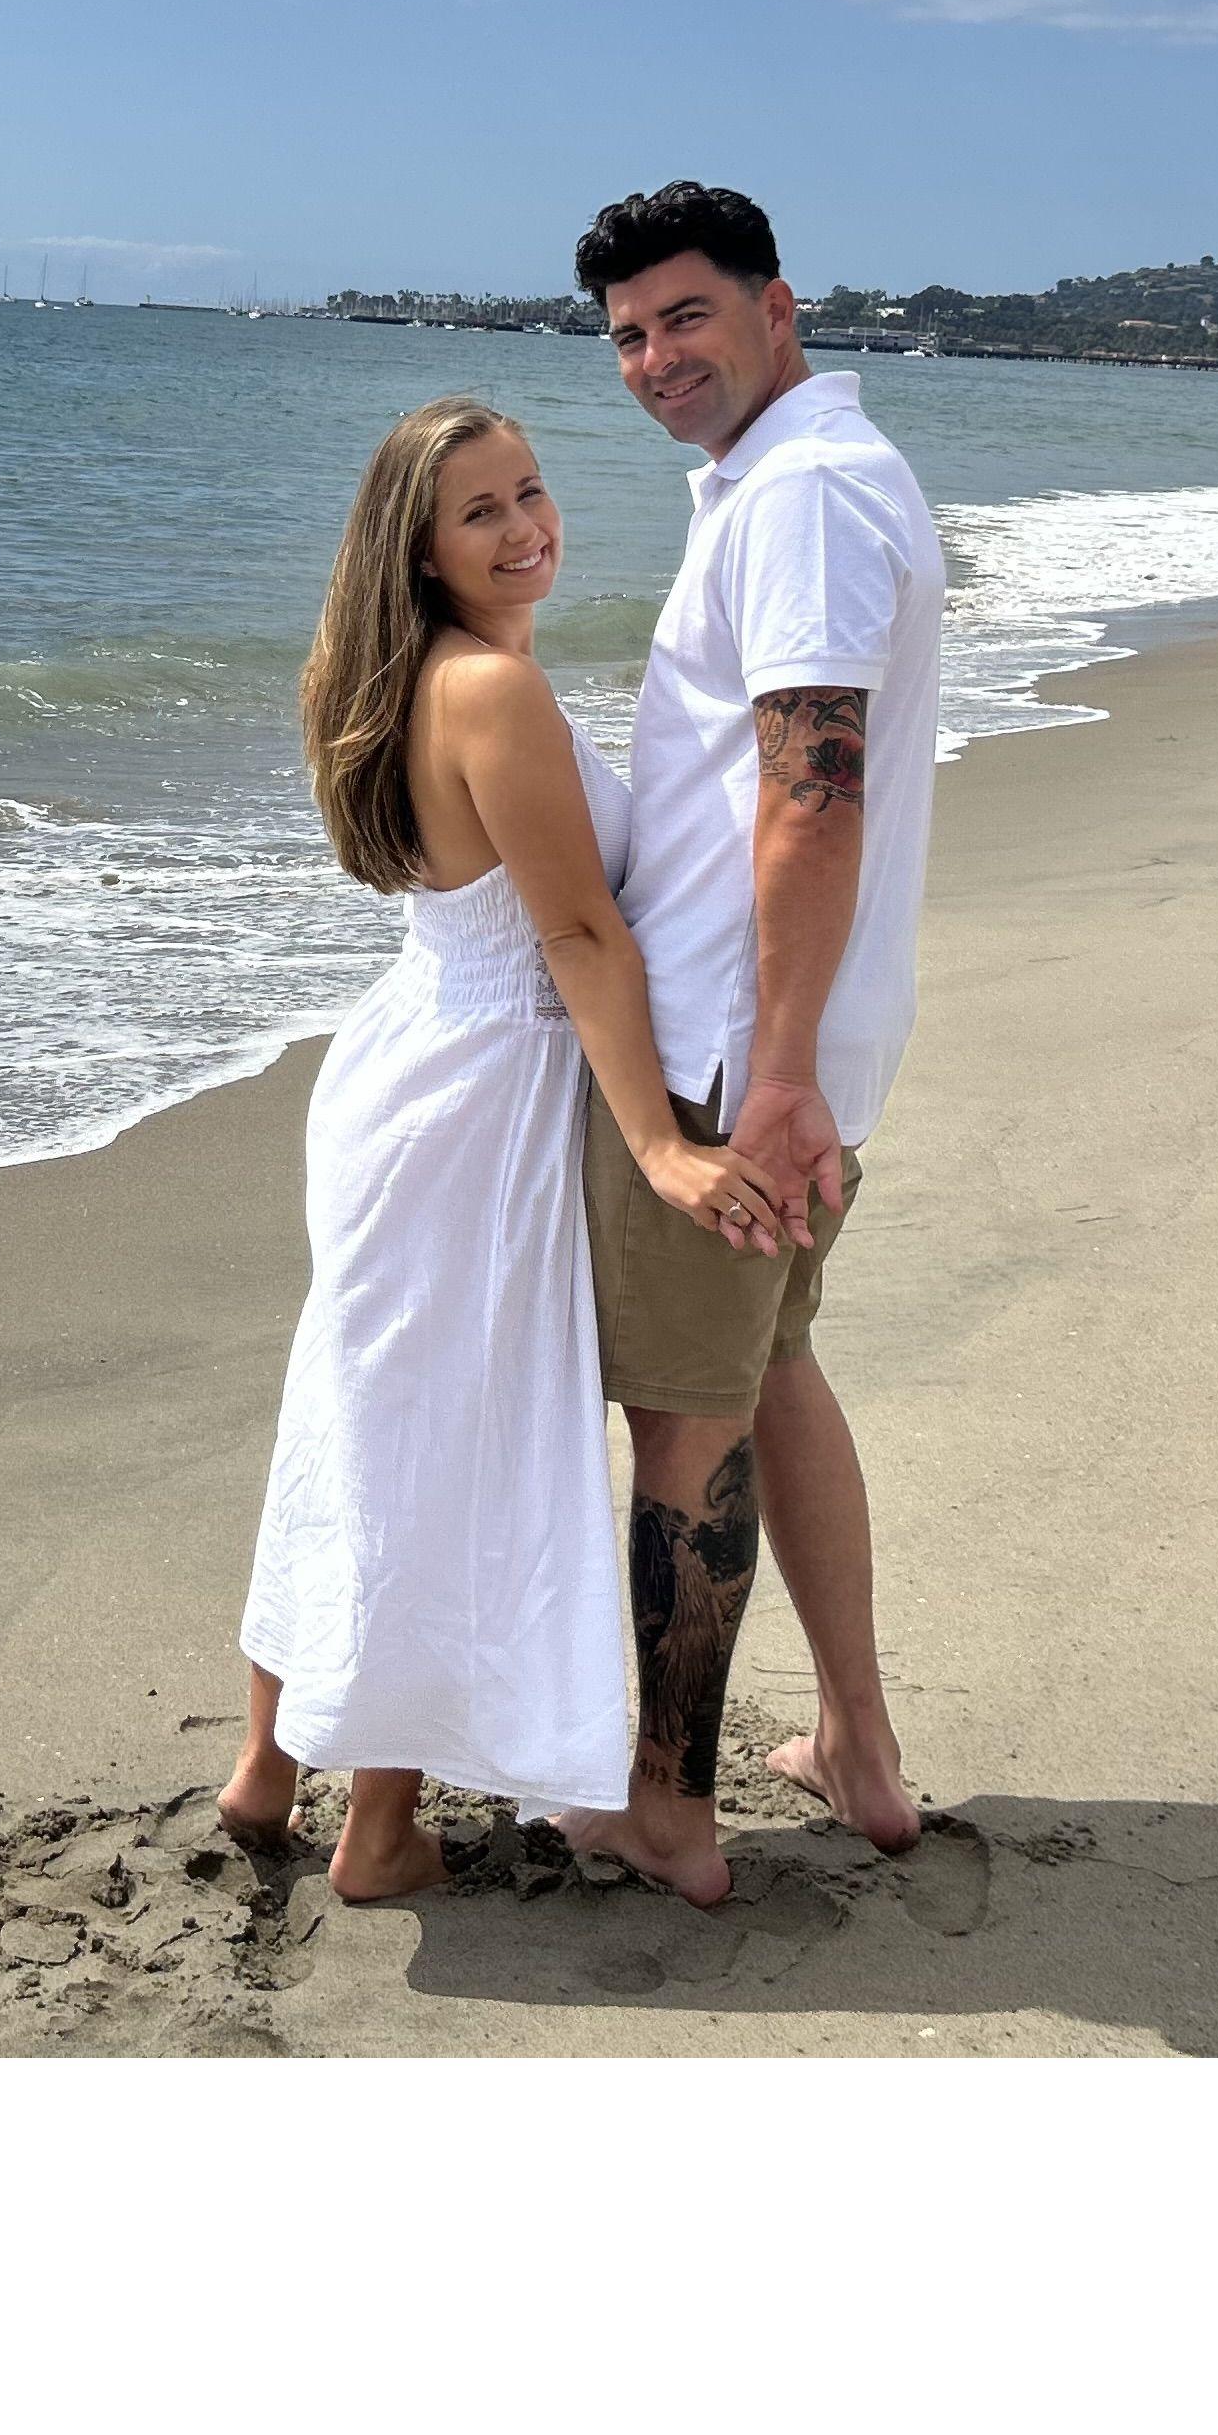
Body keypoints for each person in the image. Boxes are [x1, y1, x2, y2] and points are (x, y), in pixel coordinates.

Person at [224, 399, 774, 1901]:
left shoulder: (401, 676)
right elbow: (580, 935)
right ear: (419, 546)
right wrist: (659, 1142)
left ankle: (268, 1764)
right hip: (481, 1094)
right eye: (480, 511)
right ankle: (378, 1829)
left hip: (410, 1061)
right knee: (437, 1442)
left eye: (531, 491)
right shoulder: (489, 690)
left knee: (354, 1412)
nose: (526, 526)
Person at [556, 182, 940, 1908]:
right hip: (788, 1042)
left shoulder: (801, 496)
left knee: (686, 1421)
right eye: (629, 335)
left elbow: (812, 791)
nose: (655, 359)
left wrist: (770, 1073)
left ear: (778, 309)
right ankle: (856, 1742)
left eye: (687, 318)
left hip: (733, 1055)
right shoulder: (808, 478)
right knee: (771, 1371)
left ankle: (667, 1810)